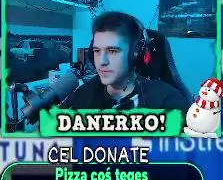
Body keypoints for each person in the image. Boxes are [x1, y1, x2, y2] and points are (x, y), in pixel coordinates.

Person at [60, 11, 189, 111]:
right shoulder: (85, 93)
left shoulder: (167, 102)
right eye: (97, 51)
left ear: (135, 54)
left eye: (112, 51)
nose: (102, 61)